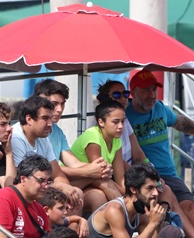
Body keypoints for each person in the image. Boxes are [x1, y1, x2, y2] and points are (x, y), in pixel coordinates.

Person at [126, 70, 194, 238]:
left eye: (154, 90)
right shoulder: (125, 116)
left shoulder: (160, 108)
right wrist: (153, 179)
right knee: (164, 210)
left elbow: (182, 123)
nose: (152, 95)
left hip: (169, 174)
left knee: (191, 207)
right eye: (146, 90)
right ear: (133, 93)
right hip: (144, 177)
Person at [34, 79, 119, 212]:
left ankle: (119, 218)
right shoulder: (33, 131)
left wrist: (99, 169)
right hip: (42, 186)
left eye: (62, 104)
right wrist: (89, 172)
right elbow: (48, 171)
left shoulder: (57, 131)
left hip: (58, 182)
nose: (59, 109)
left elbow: (74, 163)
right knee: (92, 183)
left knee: (97, 195)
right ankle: (127, 213)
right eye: (54, 104)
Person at [80, 163, 166, 238]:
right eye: (149, 188)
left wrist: (158, 224)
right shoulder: (114, 210)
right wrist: (153, 223)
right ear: (133, 189)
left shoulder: (140, 212)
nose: (156, 193)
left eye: (156, 188)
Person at [10, 96, 83, 213]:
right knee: (66, 199)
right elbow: (22, 182)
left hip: (41, 187)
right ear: (29, 119)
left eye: (50, 118)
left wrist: (65, 192)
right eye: (45, 118)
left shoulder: (42, 136)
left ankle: (71, 224)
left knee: (75, 194)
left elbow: (58, 174)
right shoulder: (16, 138)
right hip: (25, 193)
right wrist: (61, 188)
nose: (50, 124)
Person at [69, 100, 127, 194]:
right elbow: (99, 173)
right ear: (101, 122)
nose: (121, 126)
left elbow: (120, 178)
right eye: (115, 122)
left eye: (123, 121)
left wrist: (126, 193)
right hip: (72, 181)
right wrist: (125, 197)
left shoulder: (117, 140)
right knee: (99, 194)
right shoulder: (92, 135)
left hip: (92, 181)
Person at [96, 79, 147, 166]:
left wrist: (150, 169)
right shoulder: (98, 126)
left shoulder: (125, 119)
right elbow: (115, 161)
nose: (123, 98)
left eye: (125, 94)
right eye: (117, 94)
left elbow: (137, 152)